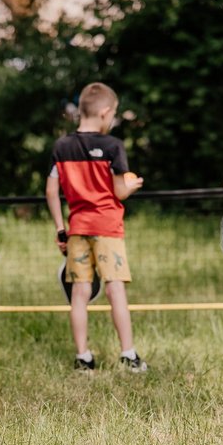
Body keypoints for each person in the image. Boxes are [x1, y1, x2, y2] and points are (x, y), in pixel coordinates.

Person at [45, 82, 147, 373]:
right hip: (108, 228)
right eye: (113, 114)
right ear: (104, 112)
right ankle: (129, 356)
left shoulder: (61, 147)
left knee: (79, 293)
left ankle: (83, 358)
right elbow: (118, 192)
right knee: (115, 291)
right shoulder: (113, 146)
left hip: (77, 228)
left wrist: (60, 228)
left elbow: (52, 192)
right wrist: (131, 185)